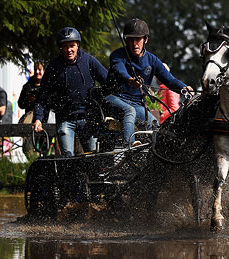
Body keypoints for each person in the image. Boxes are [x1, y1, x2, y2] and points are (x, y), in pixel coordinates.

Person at [105, 19, 190, 147]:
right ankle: (130, 145)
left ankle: (155, 153)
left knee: (154, 123)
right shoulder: (117, 55)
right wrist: (130, 80)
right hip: (114, 99)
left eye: (138, 39)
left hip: (136, 103)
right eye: (130, 39)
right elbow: (119, 70)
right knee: (130, 111)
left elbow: (170, 80)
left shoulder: (152, 60)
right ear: (126, 40)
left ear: (146, 39)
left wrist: (184, 88)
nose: (134, 44)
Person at [32, 27, 108, 156]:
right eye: (65, 46)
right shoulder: (54, 67)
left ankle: (94, 177)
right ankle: (70, 176)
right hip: (65, 118)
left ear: (78, 45)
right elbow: (43, 93)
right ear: (60, 48)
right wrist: (38, 118)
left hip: (88, 118)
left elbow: (108, 81)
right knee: (67, 158)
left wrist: (103, 104)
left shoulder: (89, 61)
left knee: (94, 157)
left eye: (72, 45)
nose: (69, 50)